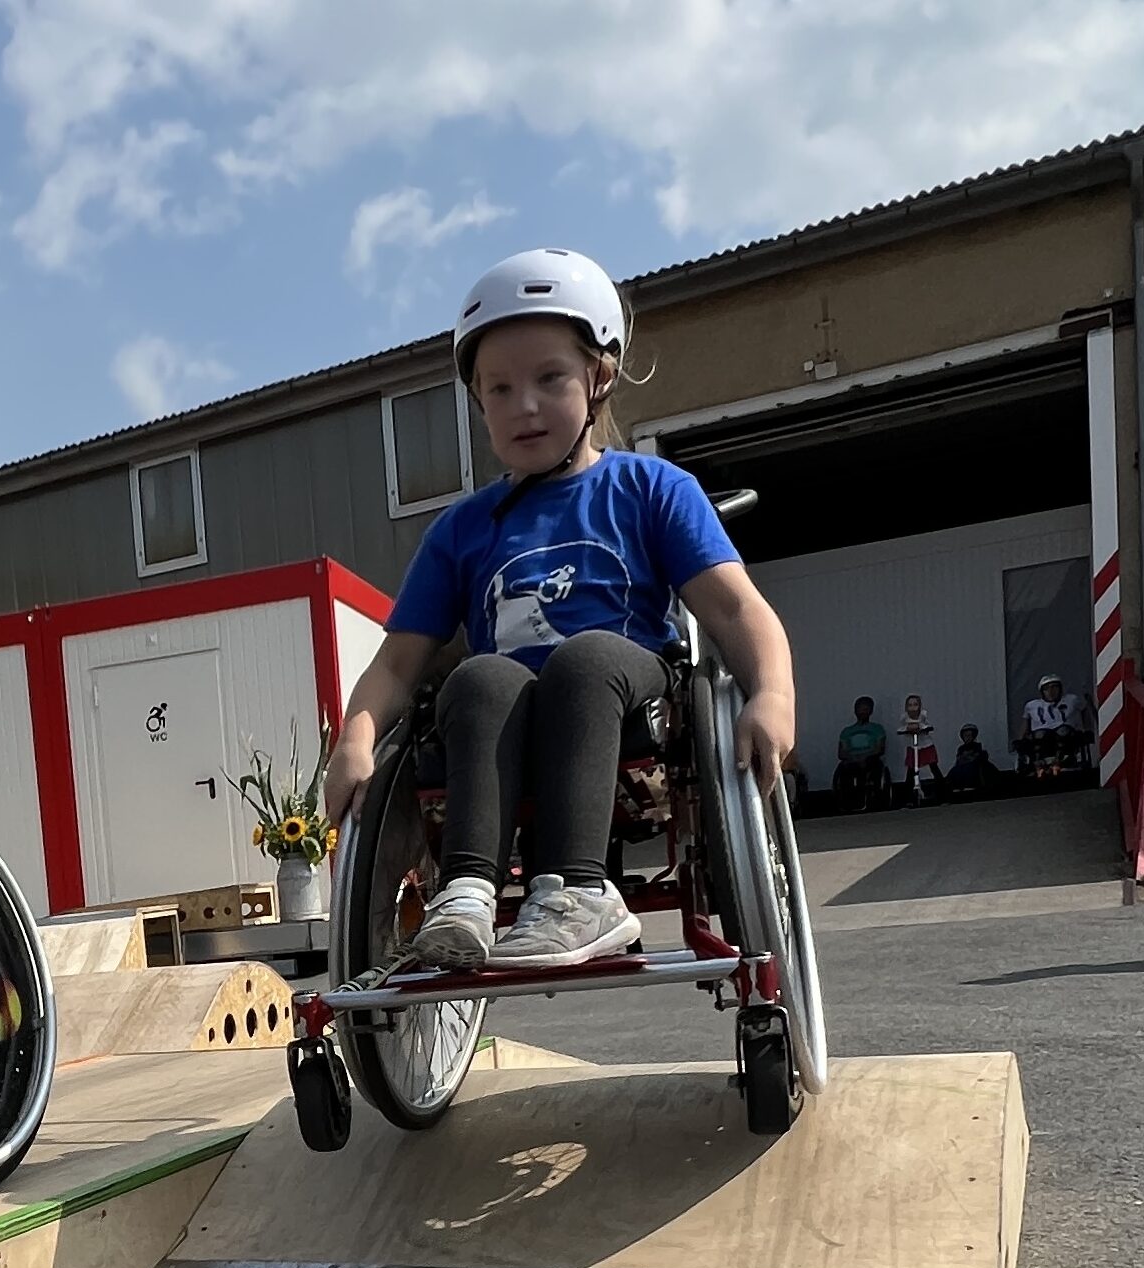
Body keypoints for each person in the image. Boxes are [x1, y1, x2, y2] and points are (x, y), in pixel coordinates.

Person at [324, 247, 798, 970]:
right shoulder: (461, 529)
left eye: (549, 378)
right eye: (499, 389)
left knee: (585, 658)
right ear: (478, 402)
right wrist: (354, 740)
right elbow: (396, 662)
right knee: (478, 678)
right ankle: (467, 892)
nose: (525, 405)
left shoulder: (650, 489)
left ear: (598, 375)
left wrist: (770, 694)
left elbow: (735, 611)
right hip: (503, 724)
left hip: (631, 713)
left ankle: (581, 894)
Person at [1020, 673, 1088, 774]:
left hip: (1066, 735)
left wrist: (1085, 728)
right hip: (1041, 736)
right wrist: (1020, 739)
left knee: (1063, 731)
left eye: (1054, 687)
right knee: (1040, 734)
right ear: (1042, 692)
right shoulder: (1032, 705)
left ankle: (1059, 761)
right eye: (1046, 689)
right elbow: (1025, 724)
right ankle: (1039, 764)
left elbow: (1085, 710)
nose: (1051, 691)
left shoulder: (1072, 700)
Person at [834, 697, 890, 811]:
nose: (863, 711)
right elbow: (841, 752)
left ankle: (869, 800)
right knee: (845, 769)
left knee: (871, 767)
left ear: (871, 711)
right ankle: (847, 802)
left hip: (871, 758)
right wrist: (854, 758)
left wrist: (865, 756)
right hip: (851, 760)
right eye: (860, 709)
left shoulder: (877, 729)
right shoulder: (847, 731)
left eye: (866, 709)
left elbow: (880, 749)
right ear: (855, 711)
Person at [896, 693, 942, 806]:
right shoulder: (904, 717)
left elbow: (925, 725)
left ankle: (943, 796)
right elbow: (902, 727)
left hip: (925, 745)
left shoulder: (923, 715)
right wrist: (906, 729)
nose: (913, 708)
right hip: (913, 746)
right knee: (911, 771)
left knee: (934, 769)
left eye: (915, 705)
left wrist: (922, 728)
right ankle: (908, 800)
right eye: (910, 705)